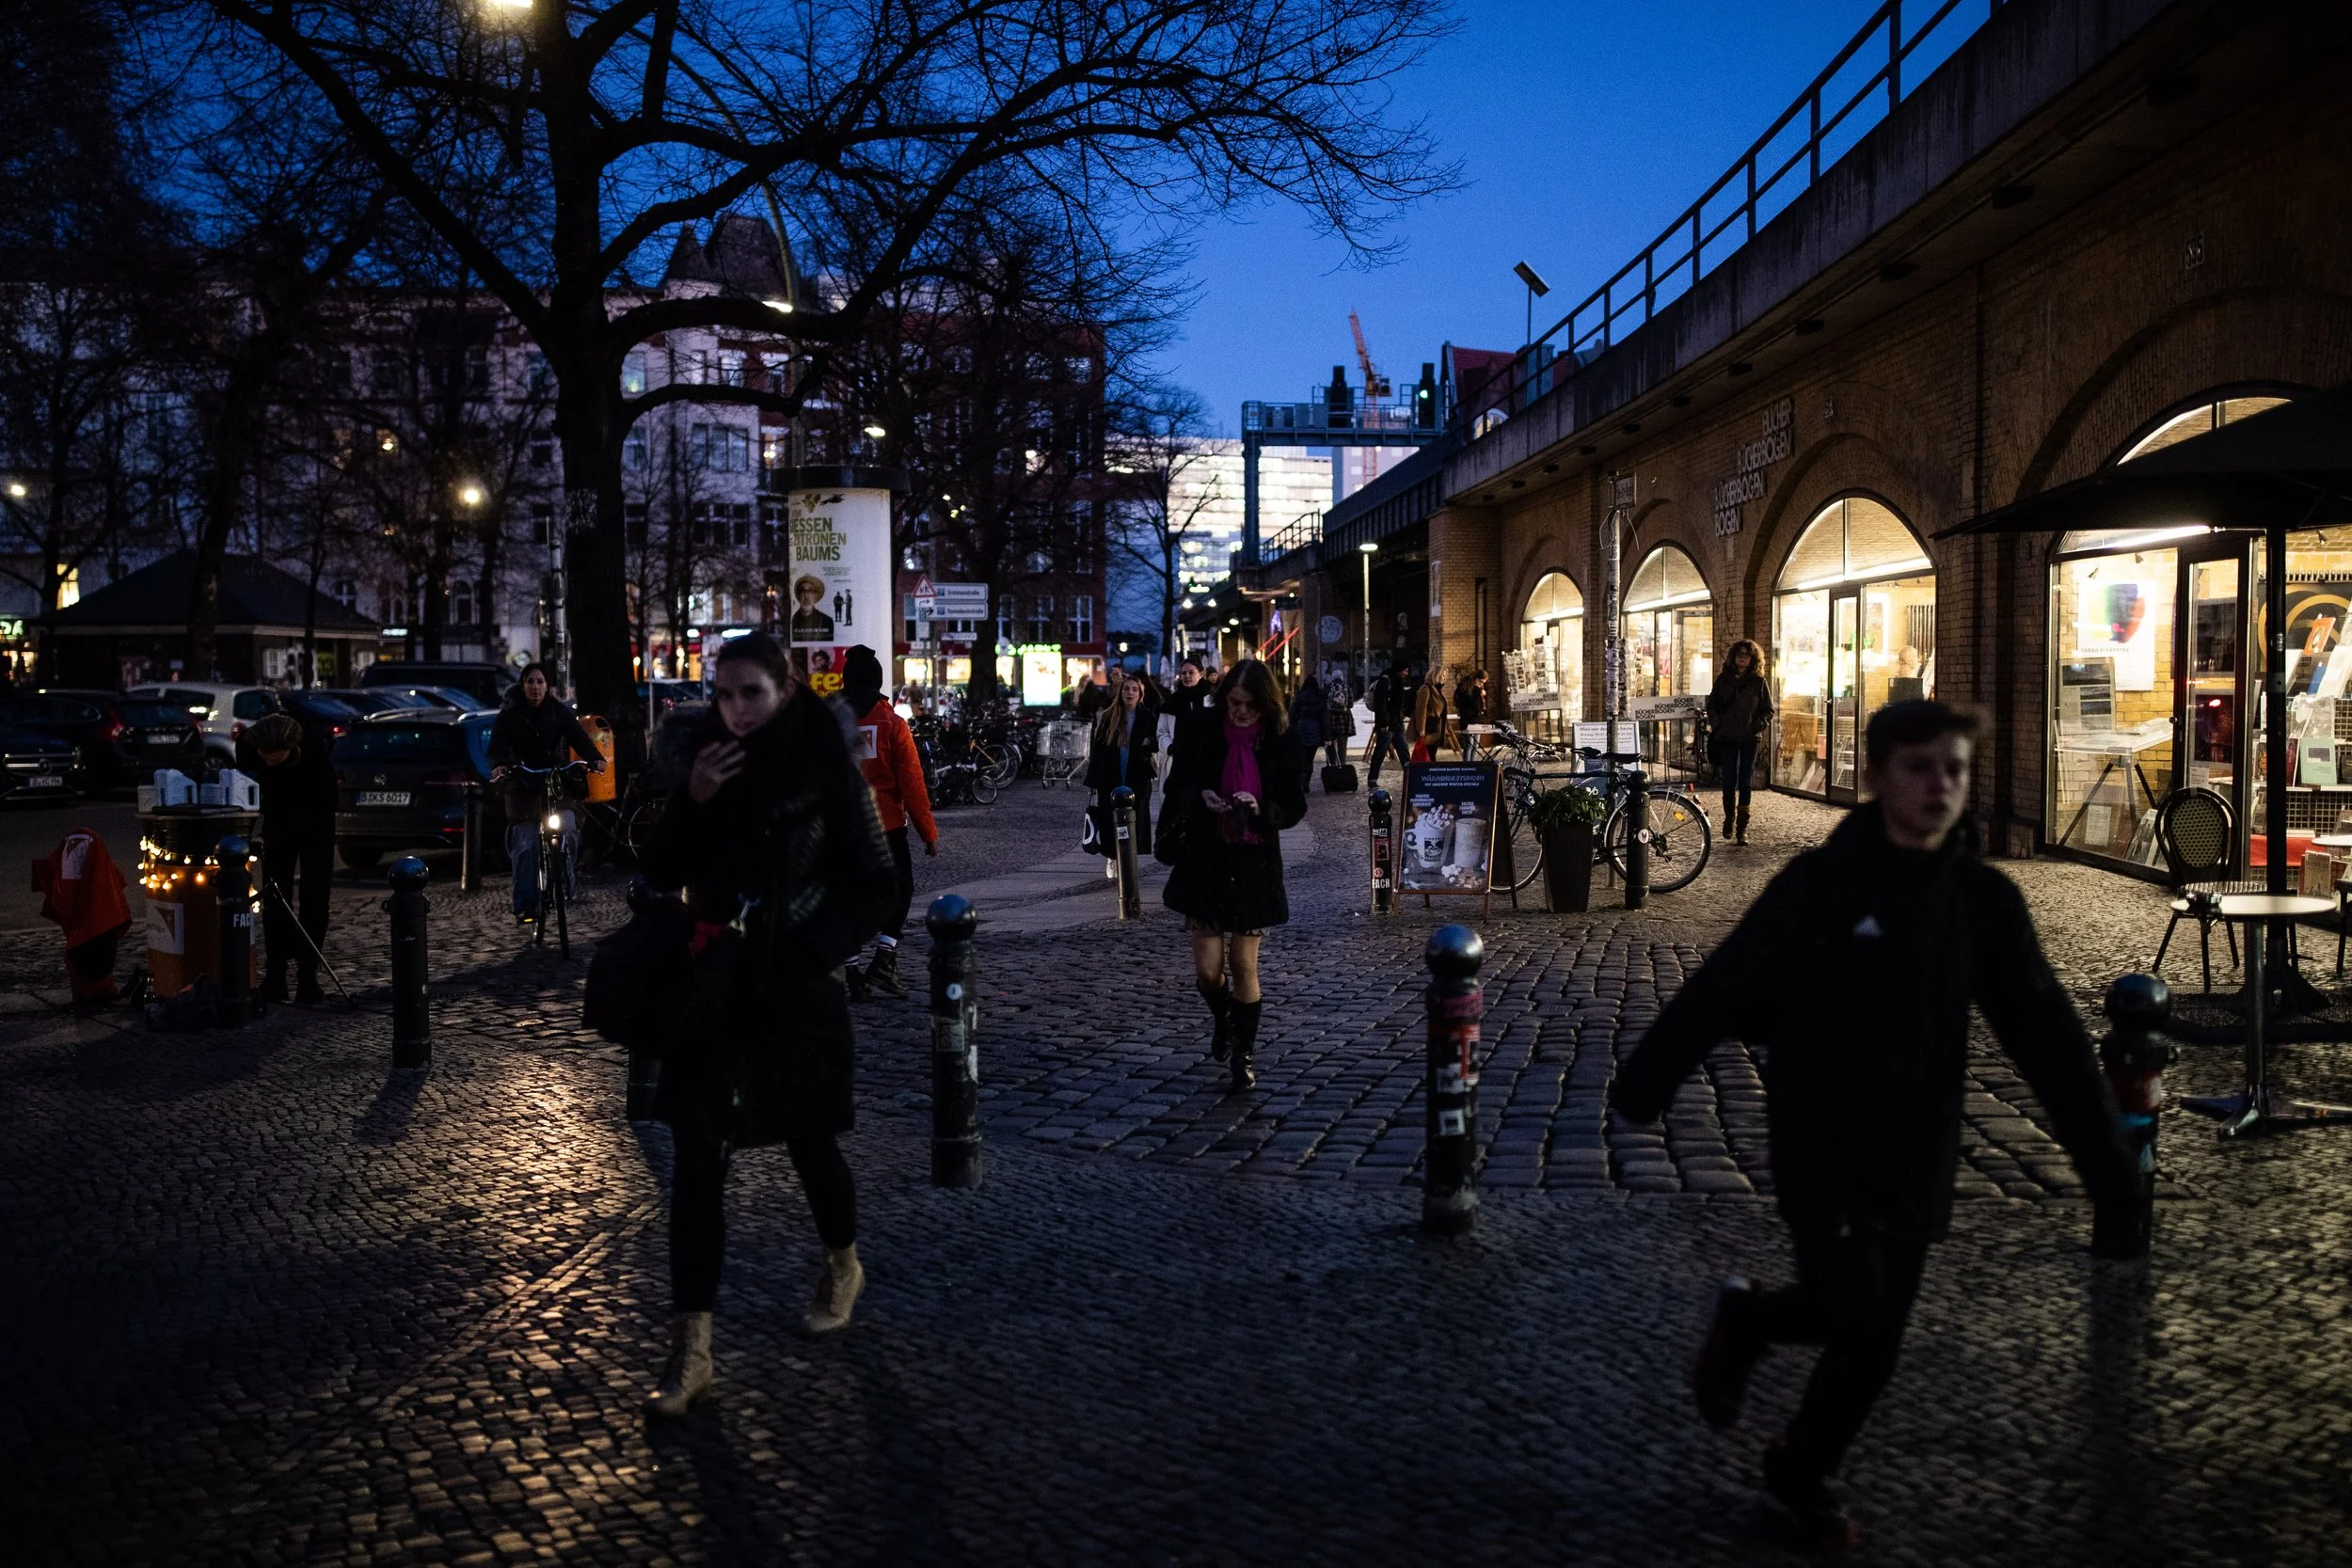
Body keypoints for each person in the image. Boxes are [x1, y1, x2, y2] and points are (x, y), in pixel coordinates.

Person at [1610, 700, 2135, 1553]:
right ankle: (1750, 1327)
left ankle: (1801, 1467)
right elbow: (1726, 981)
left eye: (1954, 769)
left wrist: (2108, 1167)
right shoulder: (1822, 882)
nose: (1940, 787)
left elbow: (2047, 1035)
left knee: (1880, 1338)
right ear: (1880, 776)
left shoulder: (1983, 901)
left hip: (1918, 1139)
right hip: (1821, 1130)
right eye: (1920, 768)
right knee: (1849, 1304)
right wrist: (1647, 1082)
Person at [638, 631, 896, 1418]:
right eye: (724, 694)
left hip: (796, 990)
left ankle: (843, 1264)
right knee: (697, 1161)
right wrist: (692, 798)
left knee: (811, 1145)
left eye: (752, 693)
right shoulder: (703, 758)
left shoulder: (826, 763)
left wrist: (809, 951)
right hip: (715, 987)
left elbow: (875, 884)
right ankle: (691, 1349)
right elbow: (660, 868)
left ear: (786, 690)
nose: (737, 710)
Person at [1161, 659, 1307, 1094]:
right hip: (1206, 860)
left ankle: (1243, 1054)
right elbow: (1176, 786)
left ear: (1265, 703)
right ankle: (1224, 1018)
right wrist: (1202, 796)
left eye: (1248, 705)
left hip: (1253, 864)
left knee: (1244, 963)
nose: (1240, 712)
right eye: (1233, 703)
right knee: (1208, 973)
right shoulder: (1202, 728)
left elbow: (1294, 803)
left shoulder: (1280, 738)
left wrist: (1263, 810)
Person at [840, 644, 936, 998]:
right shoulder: (892, 723)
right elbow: (912, 783)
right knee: (900, 888)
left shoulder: (827, 722)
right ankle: (884, 955)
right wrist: (928, 833)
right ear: (877, 681)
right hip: (887, 826)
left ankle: (851, 972)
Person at [488, 664, 604, 927]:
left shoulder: (558, 712)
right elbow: (497, 746)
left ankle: (566, 880)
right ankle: (525, 905)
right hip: (522, 785)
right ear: (522, 685)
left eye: (540, 682)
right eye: (530, 681)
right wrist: (501, 765)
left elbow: (579, 738)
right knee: (526, 845)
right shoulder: (509, 714)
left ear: (547, 686)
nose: (535, 687)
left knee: (569, 827)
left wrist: (595, 759)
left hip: (554, 781)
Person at [237, 710, 339, 1003]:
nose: (269, 761)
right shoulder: (248, 745)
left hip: (316, 825)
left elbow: (326, 801)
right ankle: (276, 975)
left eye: (275, 757)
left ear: (291, 748)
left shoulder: (314, 751)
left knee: (314, 899)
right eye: (264, 756)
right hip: (278, 825)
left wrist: (298, 823)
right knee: (275, 898)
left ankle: (307, 977)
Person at [1086, 669, 1158, 872]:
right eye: (1127, 689)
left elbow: (1156, 741)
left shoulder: (1146, 716)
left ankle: (1129, 858)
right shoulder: (1110, 716)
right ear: (1121, 692)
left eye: (1134, 690)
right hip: (1110, 775)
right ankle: (1112, 856)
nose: (1130, 693)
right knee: (1109, 818)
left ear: (1140, 694)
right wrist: (1092, 781)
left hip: (1137, 775)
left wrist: (1148, 741)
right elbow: (1098, 749)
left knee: (1135, 819)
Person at [1708, 639, 1771, 846]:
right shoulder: (1723, 680)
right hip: (1727, 737)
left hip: (1749, 739)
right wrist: (1718, 725)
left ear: (1752, 659)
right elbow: (1712, 705)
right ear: (1734, 657)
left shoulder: (1758, 682)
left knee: (1745, 783)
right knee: (1728, 781)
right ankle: (1729, 819)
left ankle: (1742, 828)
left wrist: (1756, 726)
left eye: (1747, 655)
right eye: (1739, 654)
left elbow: (1768, 710)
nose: (1743, 658)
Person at [1363, 660, 1411, 784]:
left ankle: (1411, 777)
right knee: (1381, 751)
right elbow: (1381, 704)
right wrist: (1384, 723)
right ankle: (1372, 778)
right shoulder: (1385, 680)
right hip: (1388, 724)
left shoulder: (1398, 681)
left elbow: (1400, 703)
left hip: (1397, 722)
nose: (1406, 673)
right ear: (1399, 670)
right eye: (1405, 670)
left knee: (1404, 751)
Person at [1290, 673, 1326, 788]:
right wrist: (1327, 735)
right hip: (1315, 729)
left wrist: (1292, 728)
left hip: (1301, 728)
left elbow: (1292, 713)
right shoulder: (1320, 697)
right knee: (1310, 758)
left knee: (1302, 756)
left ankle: (1301, 779)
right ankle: (1307, 782)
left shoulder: (1300, 696)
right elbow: (1325, 717)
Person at [1168, 655, 1218, 719]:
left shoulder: (1207, 695)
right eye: (1184, 673)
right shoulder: (1176, 698)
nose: (1188, 676)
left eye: (1191, 672)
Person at [1454, 667, 1488, 757]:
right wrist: (1478, 692)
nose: (1481, 685)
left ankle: (1473, 764)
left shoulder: (1476, 690)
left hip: (1477, 719)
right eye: (1481, 682)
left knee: (1475, 746)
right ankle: (1467, 764)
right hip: (1468, 720)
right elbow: (1473, 705)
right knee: (1469, 745)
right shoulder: (1466, 688)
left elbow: (1480, 707)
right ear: (1476, 679)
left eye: (1483, 683)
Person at [1324, 675, 1357, 769]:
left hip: (1332, 721)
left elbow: (1326, 704)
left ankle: (1331, 767)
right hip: (1344, 721)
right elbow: (1351, 704)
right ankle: (1342, 767)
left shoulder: (1329, 688)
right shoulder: (1347, 688)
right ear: (1342, 678)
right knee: (1342, 747)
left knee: (1331, 746)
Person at [790, 575, 834, 641]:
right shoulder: (793, 620)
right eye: (802, 591)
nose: (806, 596)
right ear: (799, 596)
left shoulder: (827, 621)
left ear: (815, 596)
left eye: (810, 591)